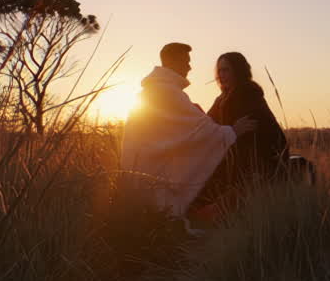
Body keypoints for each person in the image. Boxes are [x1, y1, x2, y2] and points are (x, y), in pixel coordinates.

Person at [120, 42, 255, 217]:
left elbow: (187, 130)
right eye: (186, 61)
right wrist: (232, 132)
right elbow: (200, 131)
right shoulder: (168, 93)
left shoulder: (153, 90)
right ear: (175, 61)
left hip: (137, 176)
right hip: (151, 177)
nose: (190, 67)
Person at [194, 52, 289, 210]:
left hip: (253, 165)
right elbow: (209, 124)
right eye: (219, 71)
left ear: (238, 71)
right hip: (229, 159)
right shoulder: (223, 98)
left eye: (226, 70)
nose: (221, 75)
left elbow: (257, 137)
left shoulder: (248, 95)